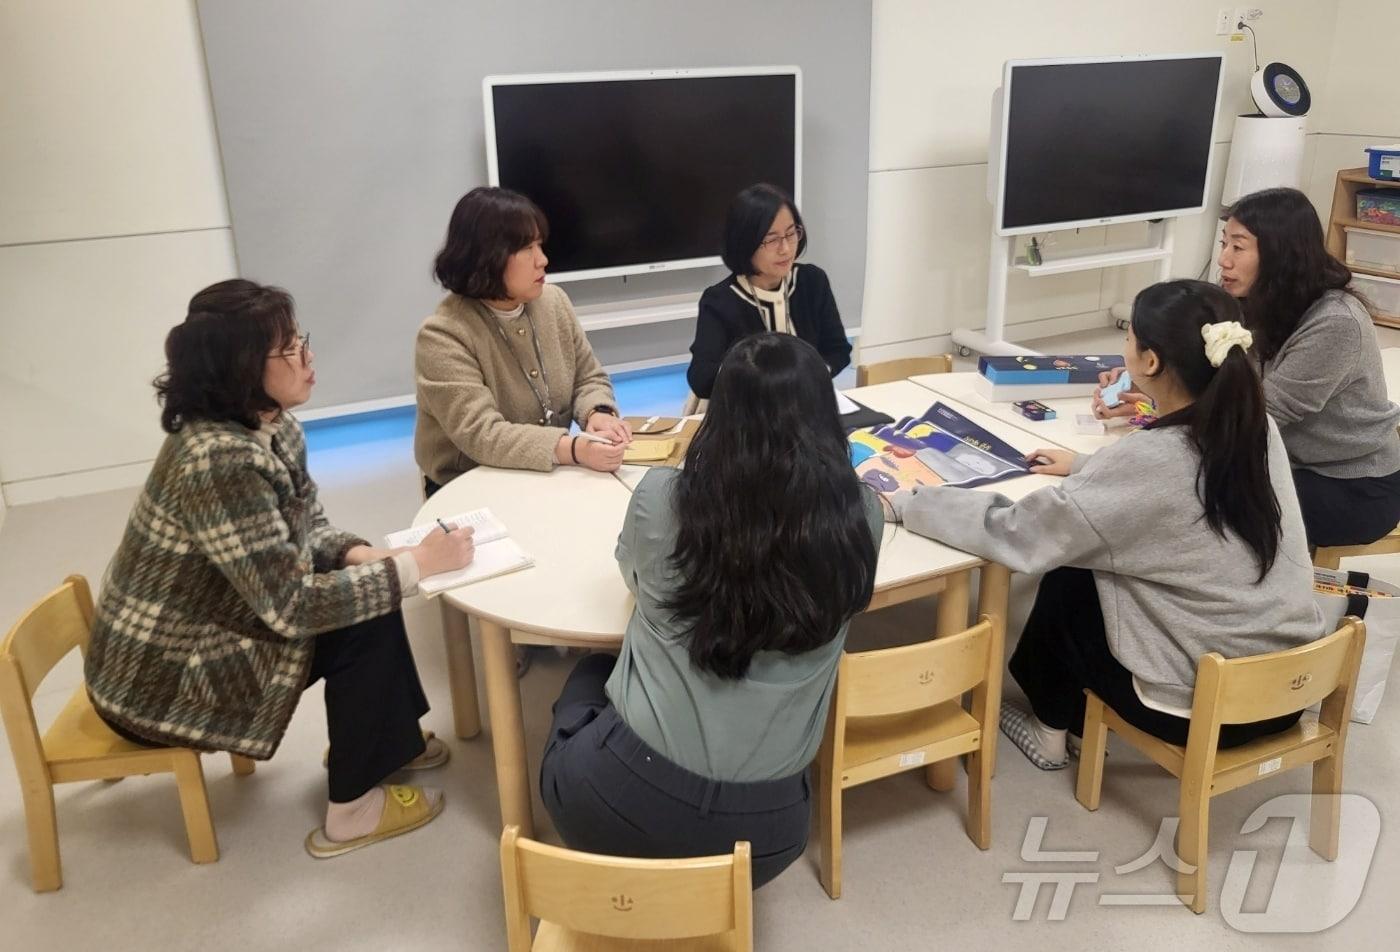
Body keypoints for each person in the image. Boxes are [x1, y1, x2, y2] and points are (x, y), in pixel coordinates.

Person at [85, 280, 476, 857]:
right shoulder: (218, 461)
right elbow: (291, 607)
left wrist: (358, 554)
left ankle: (385, 744)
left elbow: (305, 527)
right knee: (361, 612)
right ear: (241, 367)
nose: (307, 356)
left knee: (367, 585)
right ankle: (351, 812)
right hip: (155, 679)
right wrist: (413, 567)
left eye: (300, 340)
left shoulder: (270, 424)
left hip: (209, 625)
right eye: (289, 349)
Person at [895, 280, 1325, 770]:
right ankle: (1070, 720)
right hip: (1293, 684)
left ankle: (1050, 730)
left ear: (1151, 362)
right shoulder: (1253, 426)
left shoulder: (1155, 458)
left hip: (1207, 707)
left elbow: (1019, 533)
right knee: (1101, 546)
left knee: (1073, 574)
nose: (1122, 347)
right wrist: (1086, 467)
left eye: (1129, 337)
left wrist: (912, 503)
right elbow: (1168, 487)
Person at [540, 333, 882, 887]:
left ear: (718, 417)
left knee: (588, 671)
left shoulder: (661, 497)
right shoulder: (861, 517)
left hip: (610, 808)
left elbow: (635, 577)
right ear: (825, 417)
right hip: (769, 839)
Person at [1094, 187, 1400, 547]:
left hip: (1349, 485)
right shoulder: (1251, 300)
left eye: (1238, 247)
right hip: (1280, 460)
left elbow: (1253, 414)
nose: (1224, 259)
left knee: (1191, 500)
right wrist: (1144, 379)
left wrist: (1151, 415)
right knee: (1181, 486)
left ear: (1280, 255)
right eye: (1225, 244)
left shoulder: (1336, 322)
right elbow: (1195, 364)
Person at [415, 186, 630, 497]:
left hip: (550, 474)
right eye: (527, 248)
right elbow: (482, 434)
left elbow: (588, 377)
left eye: (540, 245)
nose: (542, 260)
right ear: (487, 257)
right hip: (470, 488)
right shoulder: (443, 335)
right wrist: (574, 450)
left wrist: (597, 414)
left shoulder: (554, 302)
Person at [685, 184, 851, 406]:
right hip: (744, 414)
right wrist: (771, 383)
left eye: (791, 234)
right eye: (771, 239)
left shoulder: (812, 281)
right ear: (745, 242)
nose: (785, 249)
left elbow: (838, 350)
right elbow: (701, 378)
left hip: (807, 406)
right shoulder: (720, 300)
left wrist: (813, 377)